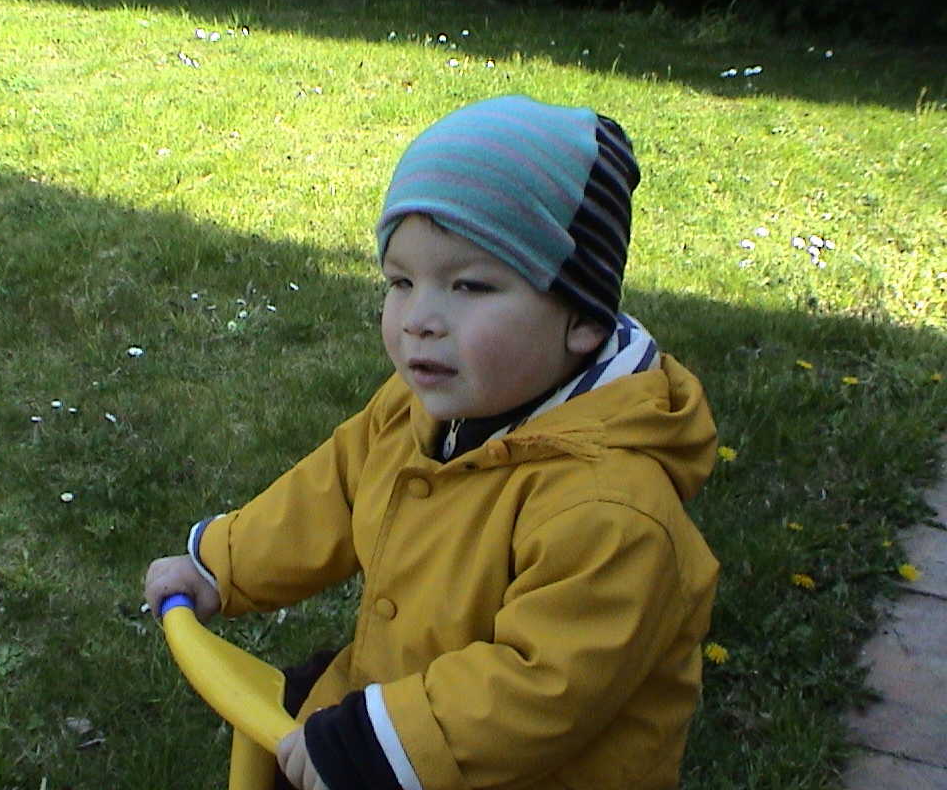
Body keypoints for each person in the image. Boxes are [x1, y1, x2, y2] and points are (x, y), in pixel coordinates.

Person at [144, 95, 720, 790]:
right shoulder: (423, 407)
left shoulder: (610, 509)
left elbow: (544, 684)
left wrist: (386, 743)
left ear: (582, 319)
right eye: (402, 281)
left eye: (468, 285)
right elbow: (335, 488)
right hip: (401, 714)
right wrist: (222, 563)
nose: (419, 319)